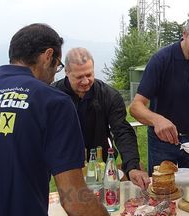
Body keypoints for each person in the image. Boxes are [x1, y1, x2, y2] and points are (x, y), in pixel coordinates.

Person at [0, 24, 109, 216]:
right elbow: (75, 200)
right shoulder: (52, 102)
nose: (54, 76)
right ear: (48, 56)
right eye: (58, 66)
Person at [129, 14, 189, 174]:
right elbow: (135, 107)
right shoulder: (161, 59)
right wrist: (157, 120)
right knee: (162, 188)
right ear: (184, 34)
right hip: (162, 141)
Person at [53, 47, 150, 189]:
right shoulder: (53, 96)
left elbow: (122, 131)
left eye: (89, 74)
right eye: (79, 77)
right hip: (67, 166)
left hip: (102, 161)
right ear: (67, 72)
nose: (86, 81)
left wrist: (132, 166)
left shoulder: (109, 95)